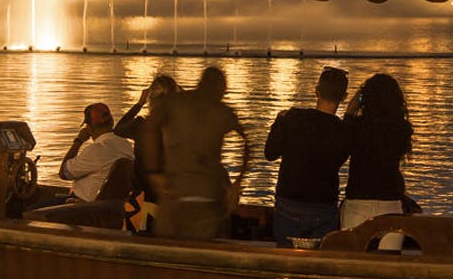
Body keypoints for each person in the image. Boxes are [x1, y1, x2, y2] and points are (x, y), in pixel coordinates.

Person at [142, 66, 249, 240]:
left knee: (168, 251)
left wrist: (154, 172)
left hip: (177, 194)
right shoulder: (221, 111)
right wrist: (237, 183)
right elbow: (247, 143)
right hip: (201, 198)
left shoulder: (176, 103)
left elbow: (149, 128)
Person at [265, 65, 350, 244]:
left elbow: (270, 153)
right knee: (320, 262)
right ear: (344, 97)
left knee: (285, 261)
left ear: (316, 91)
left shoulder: (292, 118)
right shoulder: (344, 131)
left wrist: (279, 122)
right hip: (324, 207)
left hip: (289, 203)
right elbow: (338, 161)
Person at [340, 73, 413, 251]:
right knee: (389, 259)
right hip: (390, 202)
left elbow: (342, 145)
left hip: (358, 200)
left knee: (352, 259)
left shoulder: (356, 126)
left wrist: (350, 112)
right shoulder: (402, 129)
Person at [114, 74, 180, 230]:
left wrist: (139, 104)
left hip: (141, 198)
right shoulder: (181, 128)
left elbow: (118, 130)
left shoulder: (141, 126)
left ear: (151, 99)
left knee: (136, 241)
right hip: (169, 198)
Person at [58, 102, 134, 202]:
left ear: (89, 127)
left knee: (32, 211)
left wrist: (78, 141)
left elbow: (64, 174)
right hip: (114, 205)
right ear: (111, 123)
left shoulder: (95, 150)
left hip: (84, 207)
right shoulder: (127, 145)